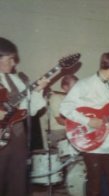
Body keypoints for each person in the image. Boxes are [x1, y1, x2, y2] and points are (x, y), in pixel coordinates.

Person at [60, 51, 109, 196]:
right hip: (90, 140)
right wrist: (88, 121)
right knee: (95, 182)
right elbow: (65, 107)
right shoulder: (84, 84)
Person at [0, 37, 50, 196]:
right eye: (10, 59)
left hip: (17, 136)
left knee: (18, 179)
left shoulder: (16, 80)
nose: (14, 63)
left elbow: (30, 109)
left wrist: (38, 90)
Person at [47, 75, 78, 150]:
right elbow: (59, 120)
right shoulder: (56, 97)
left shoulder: (72, 98)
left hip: (70, 130)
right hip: (59, 132)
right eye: (75, 86)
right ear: (65, 87)